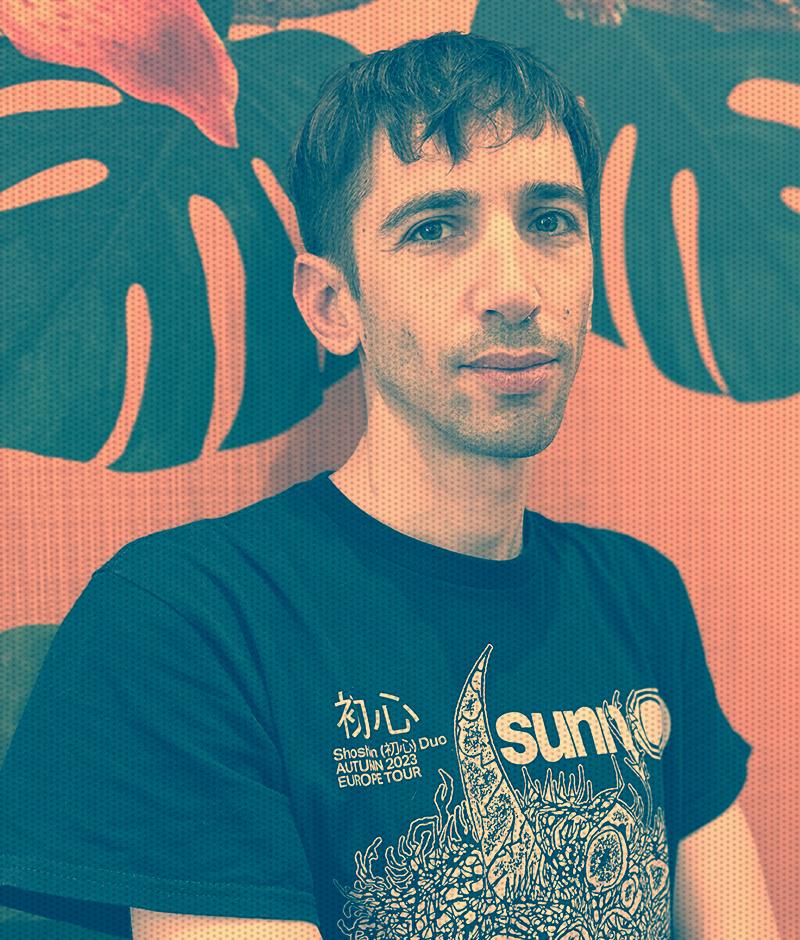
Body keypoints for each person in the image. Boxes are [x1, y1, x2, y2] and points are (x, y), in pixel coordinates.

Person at [0, 31, 779, 940]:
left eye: (550, 221)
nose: (516, 290)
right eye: (435, 228)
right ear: (332, 306)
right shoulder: (185, 618)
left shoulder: (640, 592)